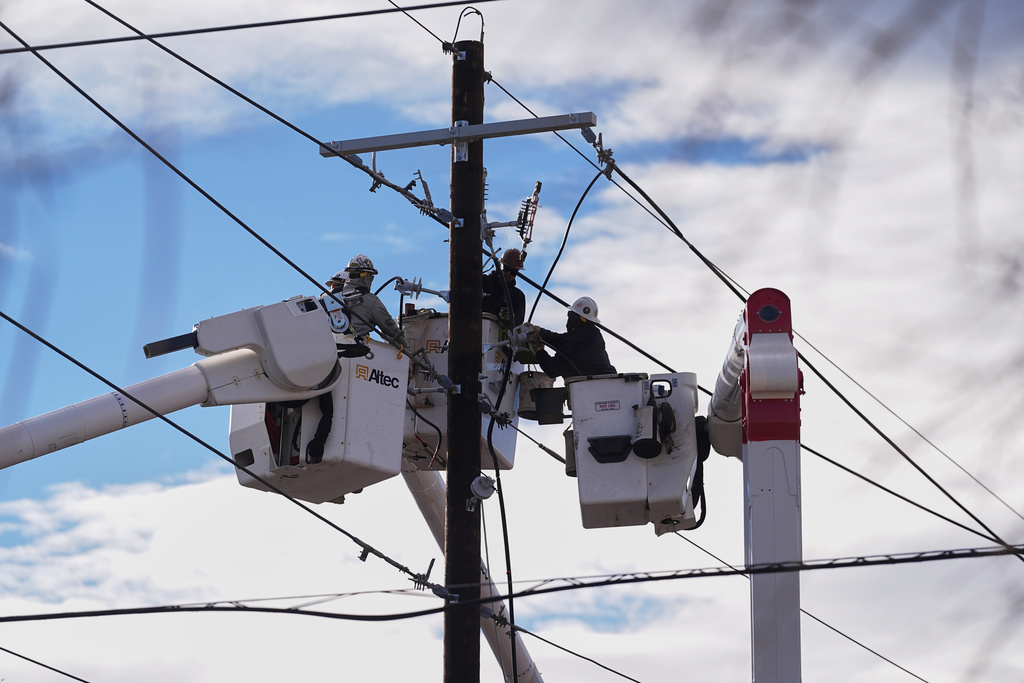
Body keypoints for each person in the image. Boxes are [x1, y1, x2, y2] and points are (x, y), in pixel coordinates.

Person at [531, 296, 616, 379]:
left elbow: (552, 369)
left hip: (595, 387)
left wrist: (538, 349)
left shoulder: (579, 344)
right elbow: (562, 340)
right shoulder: (590, 335)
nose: (569, 318)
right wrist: (540, 331)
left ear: (577, 319)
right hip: (603, 385)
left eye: (570, 315)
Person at [341, 254, 407, 350]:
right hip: (357, 352)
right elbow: (390, 327)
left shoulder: (332, 296)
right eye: (371, 276)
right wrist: (407, 350)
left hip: (332, 350)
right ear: (366, 276)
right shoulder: (370, 301)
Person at [481, 248, 526, 327]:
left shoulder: (517, 296)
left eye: (513, 272)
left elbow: (519, 319)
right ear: (499, 265)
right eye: (506, 268)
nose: (508, 273)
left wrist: (512, 317)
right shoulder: (483, 282)